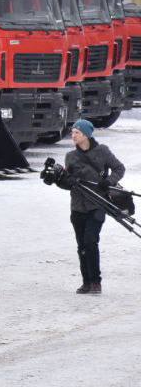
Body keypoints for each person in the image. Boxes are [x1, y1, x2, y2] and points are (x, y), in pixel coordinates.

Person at [58, 118, 126, 294]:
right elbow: (66, 184)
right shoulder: (70, 156)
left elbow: (119, 168)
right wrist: (63, 181)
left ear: (86, 134)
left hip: (97, 204)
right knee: (81, 246)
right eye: (72, 132)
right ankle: (86, 282)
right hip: (77, 207)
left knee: (90, 241)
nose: (73, 135)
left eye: (77, 133)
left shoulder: (102, 151)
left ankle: (96, 281)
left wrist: (109, 181)